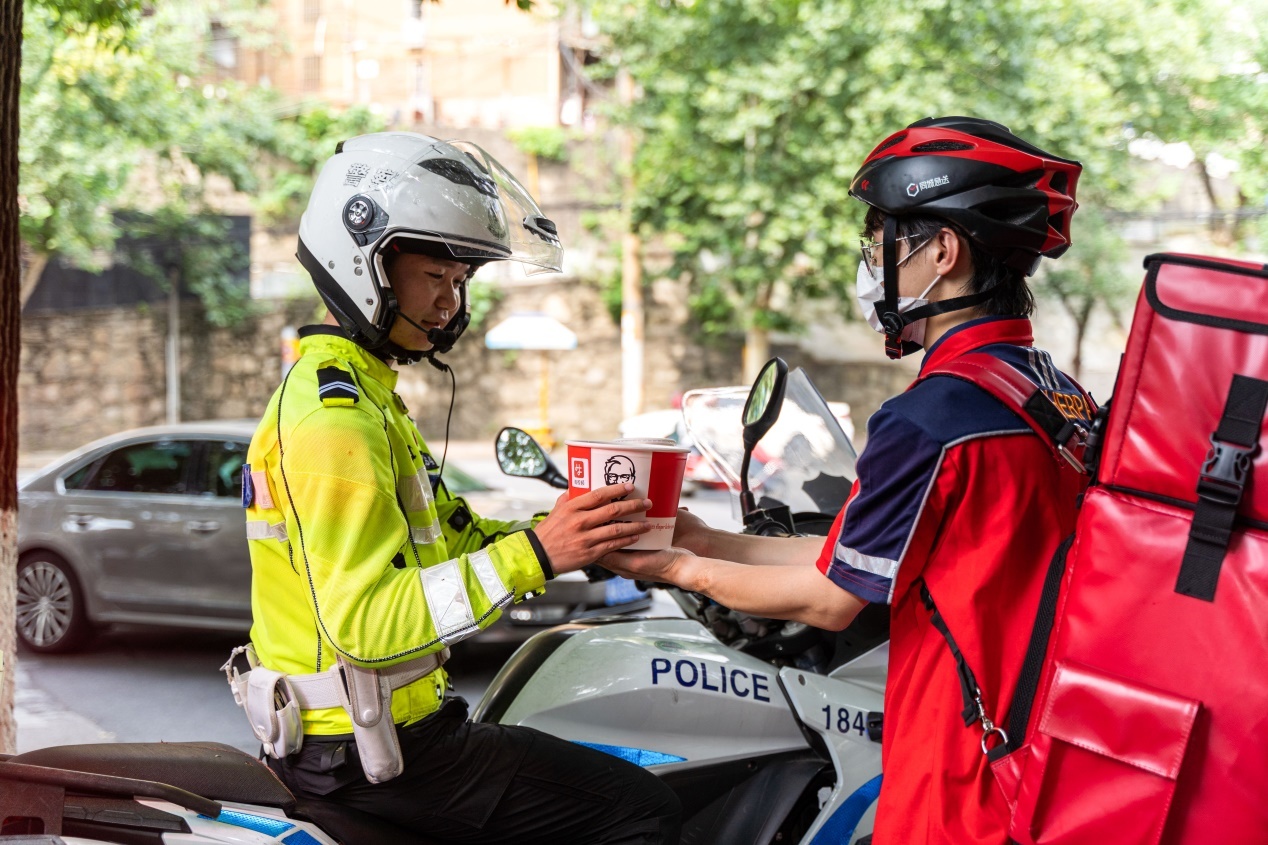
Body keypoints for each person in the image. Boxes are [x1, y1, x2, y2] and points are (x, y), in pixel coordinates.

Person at [603, 116, 1091, 845]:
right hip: (1039, 757)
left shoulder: (932, 415)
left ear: (943, 251)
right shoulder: (1054, 395)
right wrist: (708, 539)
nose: (873, 262)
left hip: (958, 780)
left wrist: (677, 565)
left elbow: (830, 599)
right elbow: (856, 555)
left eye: (883, 240)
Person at [235, 132, 680, 844]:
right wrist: (536, 551)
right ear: (369, 262)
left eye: (460, 282)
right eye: (436, 276)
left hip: (385, 736)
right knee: (641, 806)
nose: (451, 302)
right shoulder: (334, 418)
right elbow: (367, 626)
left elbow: (453, 542)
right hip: (368, 756)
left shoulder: (370, 397)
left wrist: (578, 534)